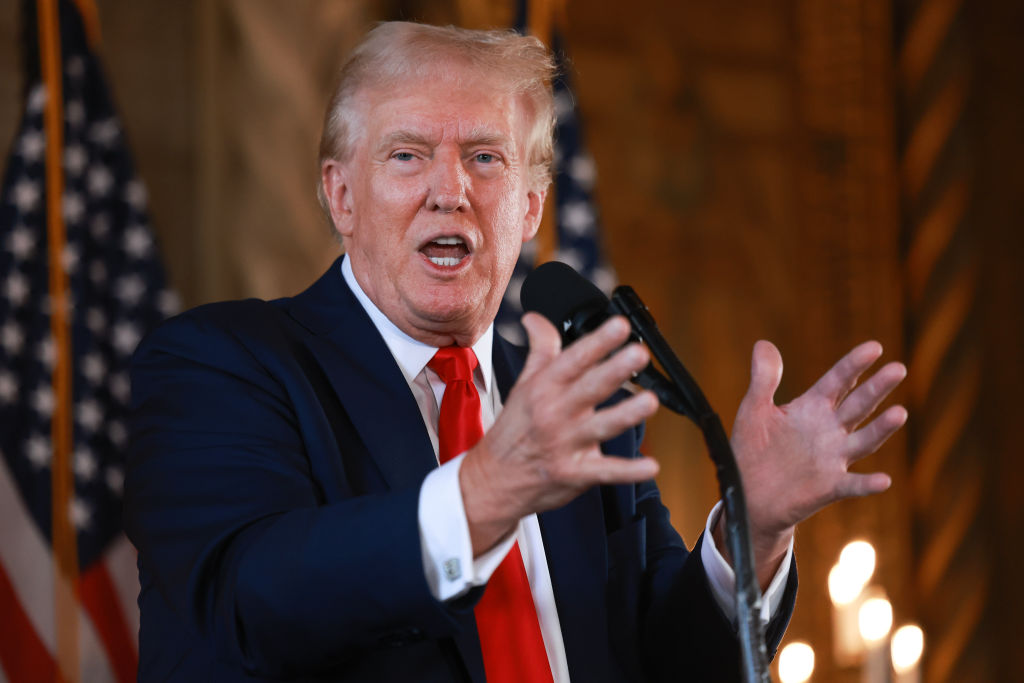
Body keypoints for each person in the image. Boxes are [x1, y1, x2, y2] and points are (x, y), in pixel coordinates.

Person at [124, 22, 907, 682]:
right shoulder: (216, 364)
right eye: (406, 155)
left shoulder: (579, 406)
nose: (449, 189)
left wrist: (753, 529)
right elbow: (247, 604)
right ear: (341, 195)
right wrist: (484, 490)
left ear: (530, 209)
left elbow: (666, 661)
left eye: (485, 158)